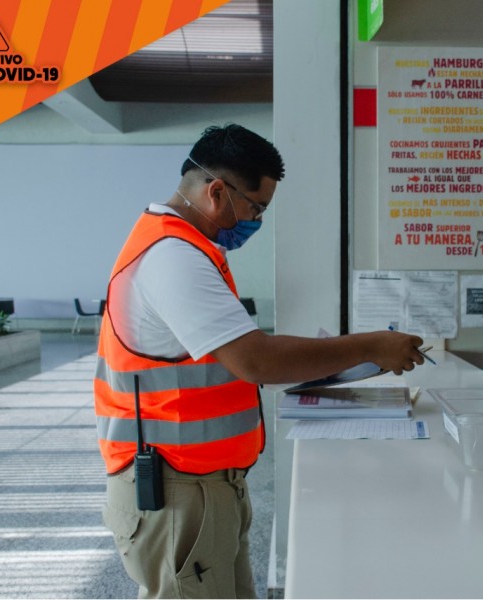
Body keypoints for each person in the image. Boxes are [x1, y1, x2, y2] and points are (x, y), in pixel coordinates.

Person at [94, 124, 426, 598]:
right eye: (255, 207)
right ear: (216, 191)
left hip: (205, 482)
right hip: (175, 488)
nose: (255, 220)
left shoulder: (186, 249)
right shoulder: (172, 256)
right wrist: (370, 346)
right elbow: (256, 359)